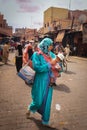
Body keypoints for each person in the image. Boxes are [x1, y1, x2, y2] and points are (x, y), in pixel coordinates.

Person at [26, 38, 57, 128]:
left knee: (47, 102)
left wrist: (59, 66)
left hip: (50, 82)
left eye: (52, 45)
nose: (52, 46)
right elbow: (37, 68)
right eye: (50, 45)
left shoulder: (52, 55)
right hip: (40, 81)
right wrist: (49, 64)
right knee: (38, 101)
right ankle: (31, 108)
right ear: (45, 45)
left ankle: (45, 120)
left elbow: (58, 67)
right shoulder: (37, 55)